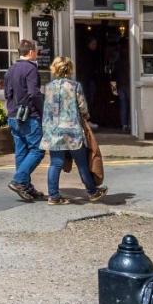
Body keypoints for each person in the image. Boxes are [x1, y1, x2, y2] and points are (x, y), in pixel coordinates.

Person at [41, 56, 106, 205]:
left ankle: (53, 197)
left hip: (54, 131)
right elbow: (82, 107)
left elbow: (47, 110)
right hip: (73, 131)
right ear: (69, 69)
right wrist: (86, 116)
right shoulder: (75, 86)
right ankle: (92, 192)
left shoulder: (49, 87)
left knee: (55, 164)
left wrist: (46, 129)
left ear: (55, 68)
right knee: (81, 163)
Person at [4, 38, 46, 202]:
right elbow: (34, 93)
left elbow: (7, 93)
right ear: (31, 52)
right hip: (29, 116)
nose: (37, 53)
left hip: (13, 115)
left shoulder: (11, 69)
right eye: (36, 51)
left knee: (21, 151)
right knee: (37, 150)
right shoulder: (31, 69)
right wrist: (42, 111)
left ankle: (26, 186)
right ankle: (19, 180)